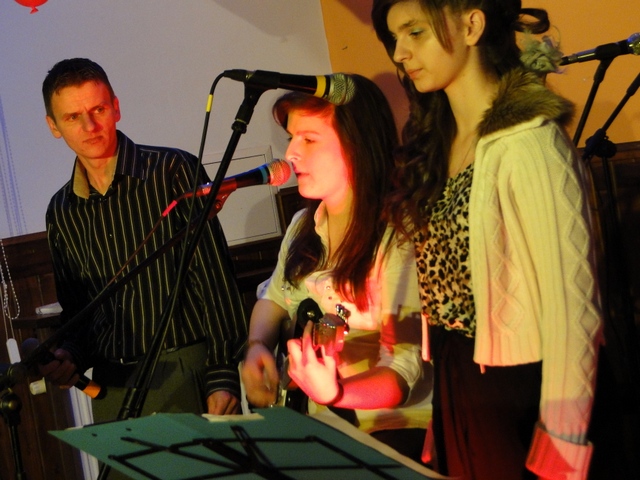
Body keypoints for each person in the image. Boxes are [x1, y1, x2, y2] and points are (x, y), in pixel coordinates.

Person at [371, 1, 604, 479]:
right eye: (395, 38)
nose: (400, 53)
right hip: (462, 385)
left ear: (472, 25)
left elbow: (573, 307)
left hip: (519, 390)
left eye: (415, 32)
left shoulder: (529, 142)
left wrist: (563, 440)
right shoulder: (439, 145)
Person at [39, 58, 248, 425]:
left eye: (98, 110)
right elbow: (78, 312)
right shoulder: (61, 210)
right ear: (53, 126)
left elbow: (215, 279)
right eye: (72, 117)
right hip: (111, 386)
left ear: (116, 108)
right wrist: (69, 355)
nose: (89, 126)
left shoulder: (172, 170)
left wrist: (222, 373)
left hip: (185, 367)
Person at [240, 74, 432, 463]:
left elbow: (403, 367)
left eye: (309, 139)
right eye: (291, 138)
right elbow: (275, 299)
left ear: (357, 144)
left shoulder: (400, 233)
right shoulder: (303, 225)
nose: (291, 153)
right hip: (323, 430)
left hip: (395, 432)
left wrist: (337, 393)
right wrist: (257, 345)